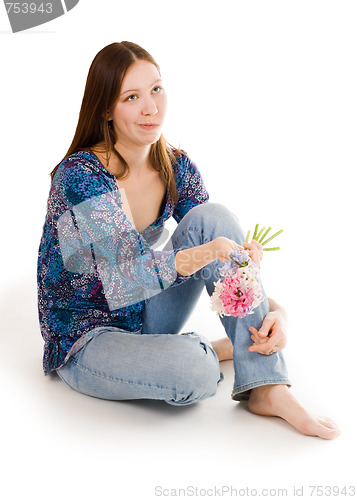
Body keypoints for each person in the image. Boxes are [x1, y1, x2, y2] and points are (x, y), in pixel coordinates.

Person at [37, 41, 339, 439]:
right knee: (195, 371)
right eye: (132, 97)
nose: (151, 108)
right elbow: (126, 280)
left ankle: (267, 385)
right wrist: (201, 255)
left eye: (156, 89)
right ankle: (207, 350)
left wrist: (275, 311)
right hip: (87, 337)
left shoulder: (174, 164)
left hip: (147, 313)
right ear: (106, 110)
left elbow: (218, 244)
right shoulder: (82, 176)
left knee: (214, 217)